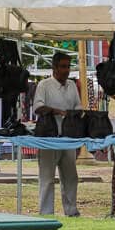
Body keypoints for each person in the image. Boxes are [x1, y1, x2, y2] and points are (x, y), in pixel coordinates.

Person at [33, 51, 82, 217]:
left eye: (68, 66)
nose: (66, 70)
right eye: (63, 66)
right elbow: (38, 108)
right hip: (48, 139)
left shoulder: (72, 85)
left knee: (71, 177)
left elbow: (77, 108)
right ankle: (46, 213)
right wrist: (57, 111)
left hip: (67, 139)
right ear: (54, 67)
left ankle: (71, 210)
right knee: (47, 179)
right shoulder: (44, 85)